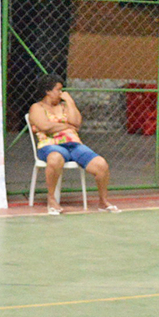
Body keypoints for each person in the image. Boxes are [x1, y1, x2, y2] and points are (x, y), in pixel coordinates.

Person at [28, 75, 117, 214]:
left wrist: (70, 101)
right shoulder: (37, 107)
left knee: (101, 164)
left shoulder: (64, 106)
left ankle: (103, 201)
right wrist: (66, 126)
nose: (61, 93)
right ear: (48, 91)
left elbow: (76, 123)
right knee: (55, 157)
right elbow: (45, 126)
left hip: (74, 145)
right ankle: (51, 199)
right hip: (50, 145)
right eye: (58, 90)